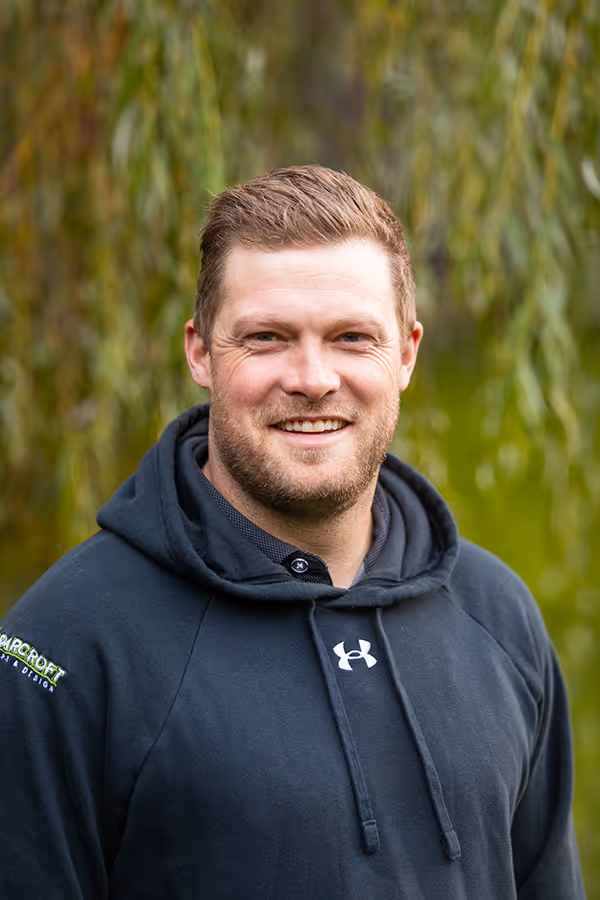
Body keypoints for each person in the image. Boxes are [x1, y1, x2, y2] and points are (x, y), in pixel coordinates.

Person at [0, 166, 585, 899]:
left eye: (351, 338)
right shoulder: (63, 645)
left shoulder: (499, 617)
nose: (312, 378)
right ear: (200, 352)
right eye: (268, 337)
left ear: (406, 354)